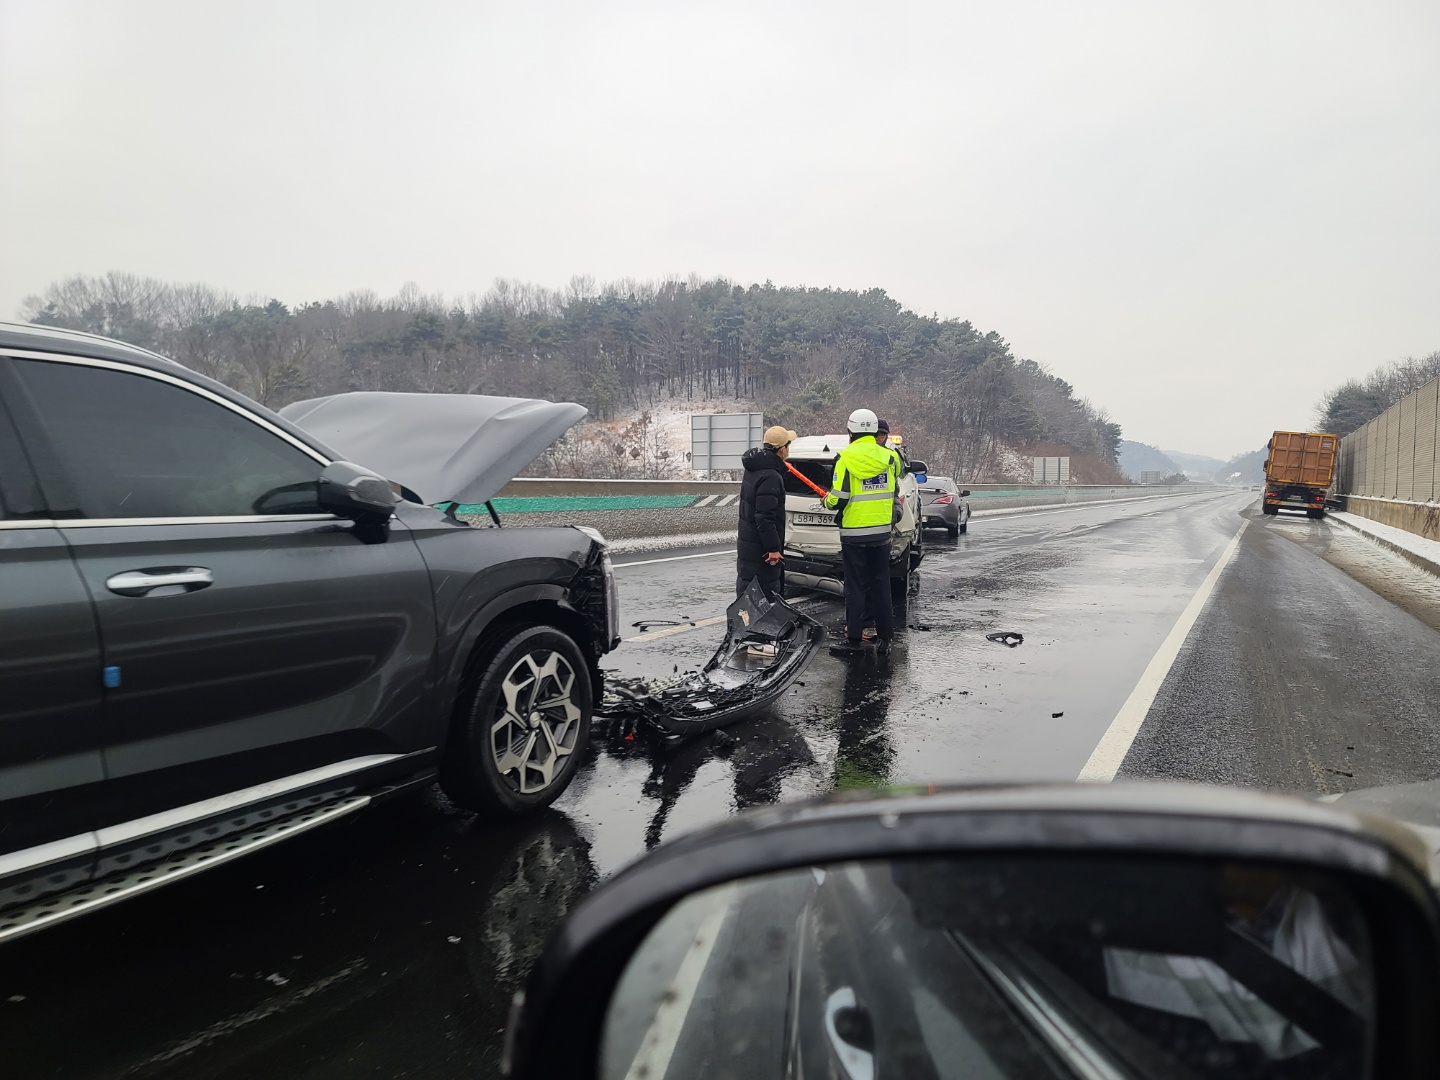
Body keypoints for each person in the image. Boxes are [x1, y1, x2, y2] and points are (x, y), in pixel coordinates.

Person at [824, 408, 899, 656]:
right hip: (881, 534)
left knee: (855, 588)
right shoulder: (890, 458)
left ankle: (854, 639)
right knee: (881, 586)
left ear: (850, 432)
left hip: (854, 534)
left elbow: (840, 497)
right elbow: (895, 481)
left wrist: (827, 501)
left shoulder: (844, 458)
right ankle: (886, 640)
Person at [736, 425, 796, 599]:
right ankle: (759, 625)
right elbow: (765, 515)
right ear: (783, 449)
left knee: (749, 591)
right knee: (765, 594)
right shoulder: (771, 476)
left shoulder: (754, 468)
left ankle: (744, 623)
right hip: (762, 549)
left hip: (749, 543)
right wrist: (773, 548)